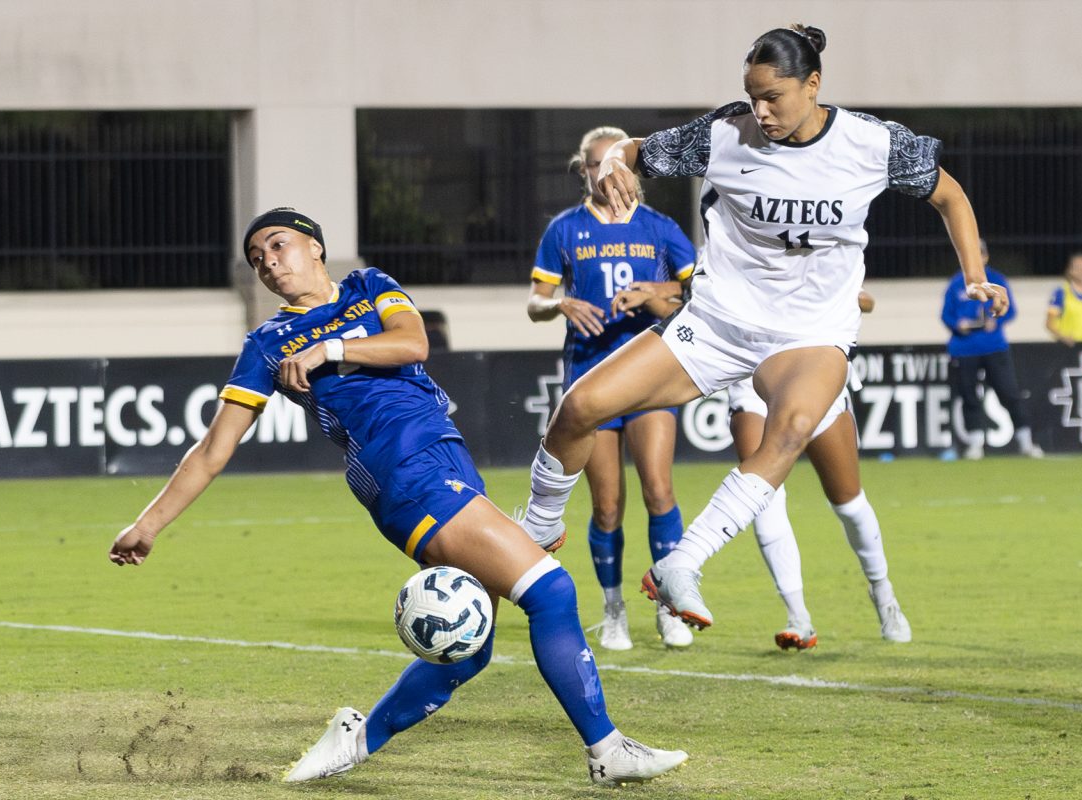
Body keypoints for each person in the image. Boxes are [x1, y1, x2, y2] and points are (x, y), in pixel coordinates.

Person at [107, 208, 686, 787]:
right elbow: (213, 448)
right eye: (257, 258)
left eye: (278, 246)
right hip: (402, 474)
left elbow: (413, 343)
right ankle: (607, 749)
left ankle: (356, 739)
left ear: (316, 248)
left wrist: (329, 352)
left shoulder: (369, 287)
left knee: (472, 646)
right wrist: (149, 524)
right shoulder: (267, 343)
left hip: (445, 460)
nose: (268, 263)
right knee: (552, 591)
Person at [518, 24, 1009, 631]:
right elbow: (638, 148)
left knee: (792, 428)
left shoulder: (872, 143)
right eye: (752, 96)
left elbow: (951, 196)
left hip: (809, 332)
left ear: (813, 84)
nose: (761, 110)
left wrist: (975, 275)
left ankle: (684, 563)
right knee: (580, 405)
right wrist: (616, 158)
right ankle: (537, 527)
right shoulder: (725, 132)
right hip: (719, 321)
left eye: (772, 97)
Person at [527, 125, 697, 651]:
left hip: (649, 377)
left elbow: (703, 289)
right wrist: (560, 304)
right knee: (606, 506)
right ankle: (614, 607)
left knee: (659, 489)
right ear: (585, 171)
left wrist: (655, 292)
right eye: (597, 165)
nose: (608, 174)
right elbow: (535, 301)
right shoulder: (564, 229)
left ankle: (670, 604)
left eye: (615, 163)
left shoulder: (661, 227)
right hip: (591, 377)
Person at [728, 290, 910, 649]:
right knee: (762, 497)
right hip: (752, 379)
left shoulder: (812, 241)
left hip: (813, 374)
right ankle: (798, 617)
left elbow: (867, 300)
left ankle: (882, 591)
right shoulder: (731, 245)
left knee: (849, 503)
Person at [941, 239, 1043, 459]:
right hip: (964, 348)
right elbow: (946, 315)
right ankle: (976, 443)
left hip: (993, 347)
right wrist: (958, 325)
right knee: (969, 396)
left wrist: (996, 321)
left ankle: (1026, 441)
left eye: (979, 255)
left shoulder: (996, 280)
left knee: (1008, 392)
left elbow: (1011, 310)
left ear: (986, 257)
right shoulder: (956, 283)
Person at [1047, 251, 1082, 345]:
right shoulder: (1061, 293)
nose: (1081, 270)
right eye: (1077, 267)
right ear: (1070, 271)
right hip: (1070, 348)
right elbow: (1049, 324)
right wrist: (1063, 337)